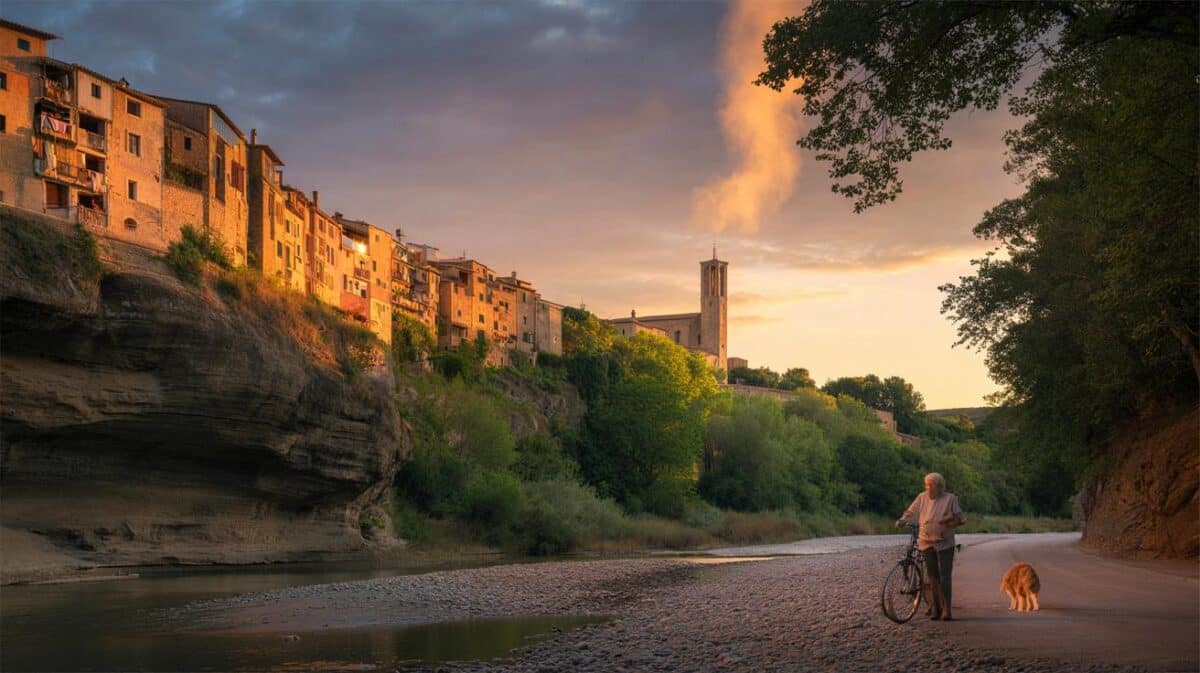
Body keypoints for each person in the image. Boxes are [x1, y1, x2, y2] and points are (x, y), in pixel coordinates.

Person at [895, 472, 966, 621]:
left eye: (931, 485)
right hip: (925, 541)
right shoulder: (922, 497)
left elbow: (961, 519)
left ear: (940, 486)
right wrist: (902, 520)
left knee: (945, 576)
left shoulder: (950, 498)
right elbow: (911, 511)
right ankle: (936, 608)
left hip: (944, 542)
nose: (928, 488)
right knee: (933, 576)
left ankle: (947, 610)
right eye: (926, 485)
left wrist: (949, 521)